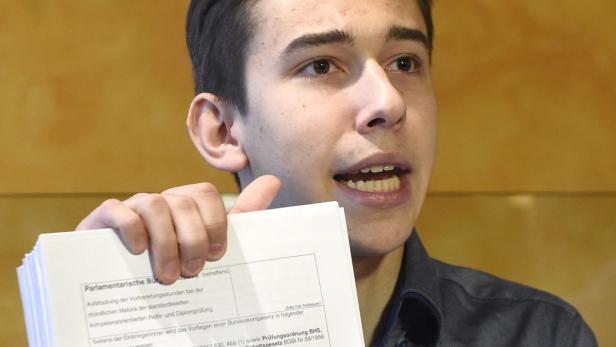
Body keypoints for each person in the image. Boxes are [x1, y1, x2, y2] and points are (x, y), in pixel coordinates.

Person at [76, 0, 597, 345]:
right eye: (321, 65)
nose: (388, 103)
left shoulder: (540, 333)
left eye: (405, 63)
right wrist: (93, 316)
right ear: (223, 132)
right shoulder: (165, 332)